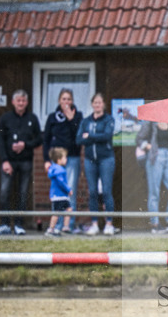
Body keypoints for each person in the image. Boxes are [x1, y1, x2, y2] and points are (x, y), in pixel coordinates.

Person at [0, 89, 42, 235]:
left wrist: (25, 145)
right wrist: (4, 160)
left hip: (26, 162)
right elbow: (0, 140)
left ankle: (19, 225)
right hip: (8, 162)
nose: (21, 103)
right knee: (4, 192)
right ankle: (5, 224)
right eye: (18, 100)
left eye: (23, 101)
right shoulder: (5, 118)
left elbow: (39, 139)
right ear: (13, 102)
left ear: (27, 102)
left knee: (23, 193)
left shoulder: (32, 118)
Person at [42, 88, 84, 232]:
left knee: (69, 191)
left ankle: (68, 226)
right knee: (58, 192)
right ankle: (57, 226)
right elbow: (46, 139)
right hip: (56, 161)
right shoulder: (52, 117)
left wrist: (71, 120)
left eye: (69, 99)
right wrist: (46, 160)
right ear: (59, 101)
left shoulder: (78, 116)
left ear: (72, 101)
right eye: (64, 99)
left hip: (72, 158)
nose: (66, 101)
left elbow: (79, 136)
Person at [77, 93, 117, 235]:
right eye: (95, 102)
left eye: (100, 102)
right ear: (92, 104)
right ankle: (94, 224)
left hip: (106, 159)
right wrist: (94, 137)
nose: (97, 105)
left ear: (103, 104)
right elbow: (79, 139)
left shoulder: (109, 119)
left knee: (106, 192)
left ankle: (109, 224)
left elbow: (107, 136)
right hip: (90, 160)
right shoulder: (86, 121)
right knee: (92, 192)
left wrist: (90, 136)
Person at [136, 121, 168, 233]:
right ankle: (155, 224)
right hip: (155, 157)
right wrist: (149, 147)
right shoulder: (149, 122)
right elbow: (139, 139)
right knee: (154, 192)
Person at [45, 147, 73, 236]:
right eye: (64, 157)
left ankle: (65, 227)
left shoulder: (55, 169)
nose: (66, 159)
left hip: (60, 196)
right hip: (59, 196)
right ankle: (51, 229)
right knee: (56, 213)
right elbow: (61, 182)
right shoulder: (59, 170)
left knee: (68, 209)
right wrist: (68, 190)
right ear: (59, 160)